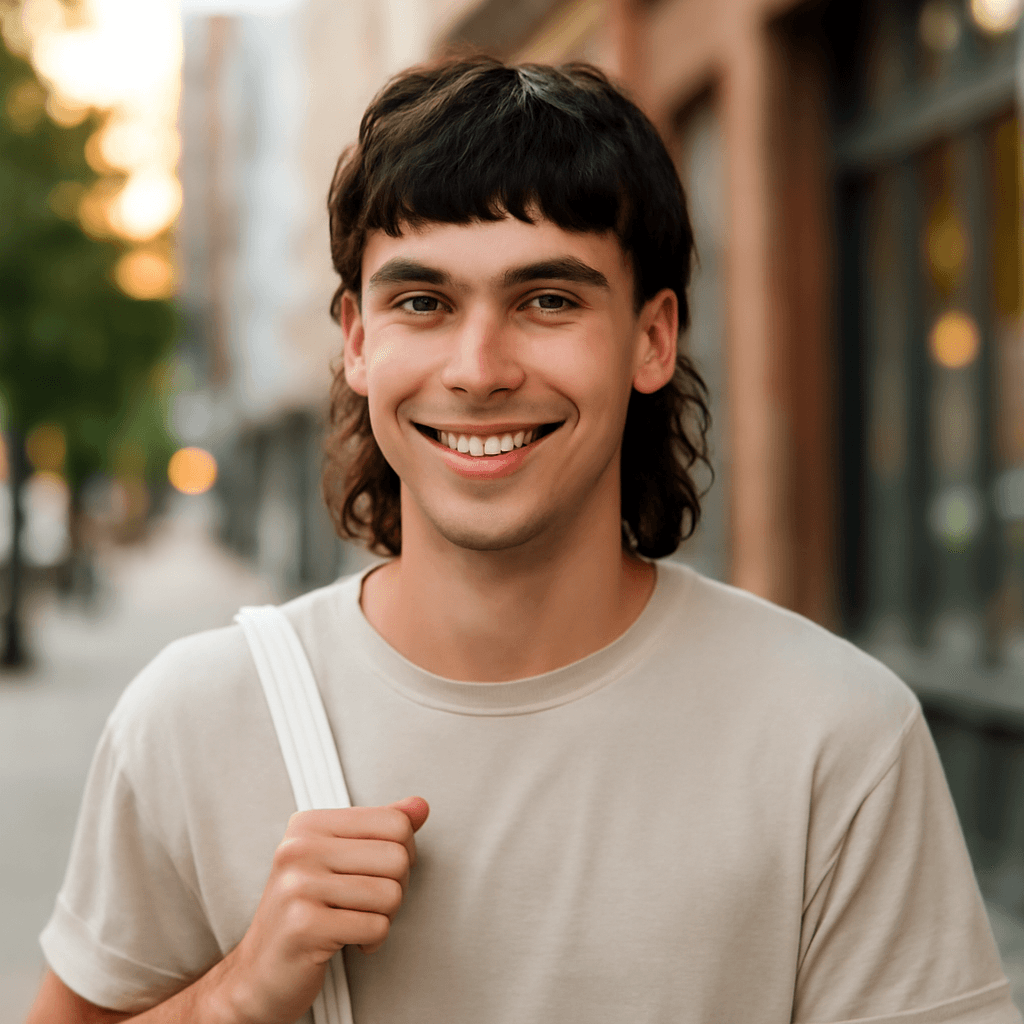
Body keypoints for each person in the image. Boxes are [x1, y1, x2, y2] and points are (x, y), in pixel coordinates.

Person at [25, 57, 1020, 1024]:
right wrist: (237, 994)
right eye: (422, 301)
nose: (479, 366)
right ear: (357, 340)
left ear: (651, 337)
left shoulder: (833, 736)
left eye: (547, 300)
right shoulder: (193, 719)